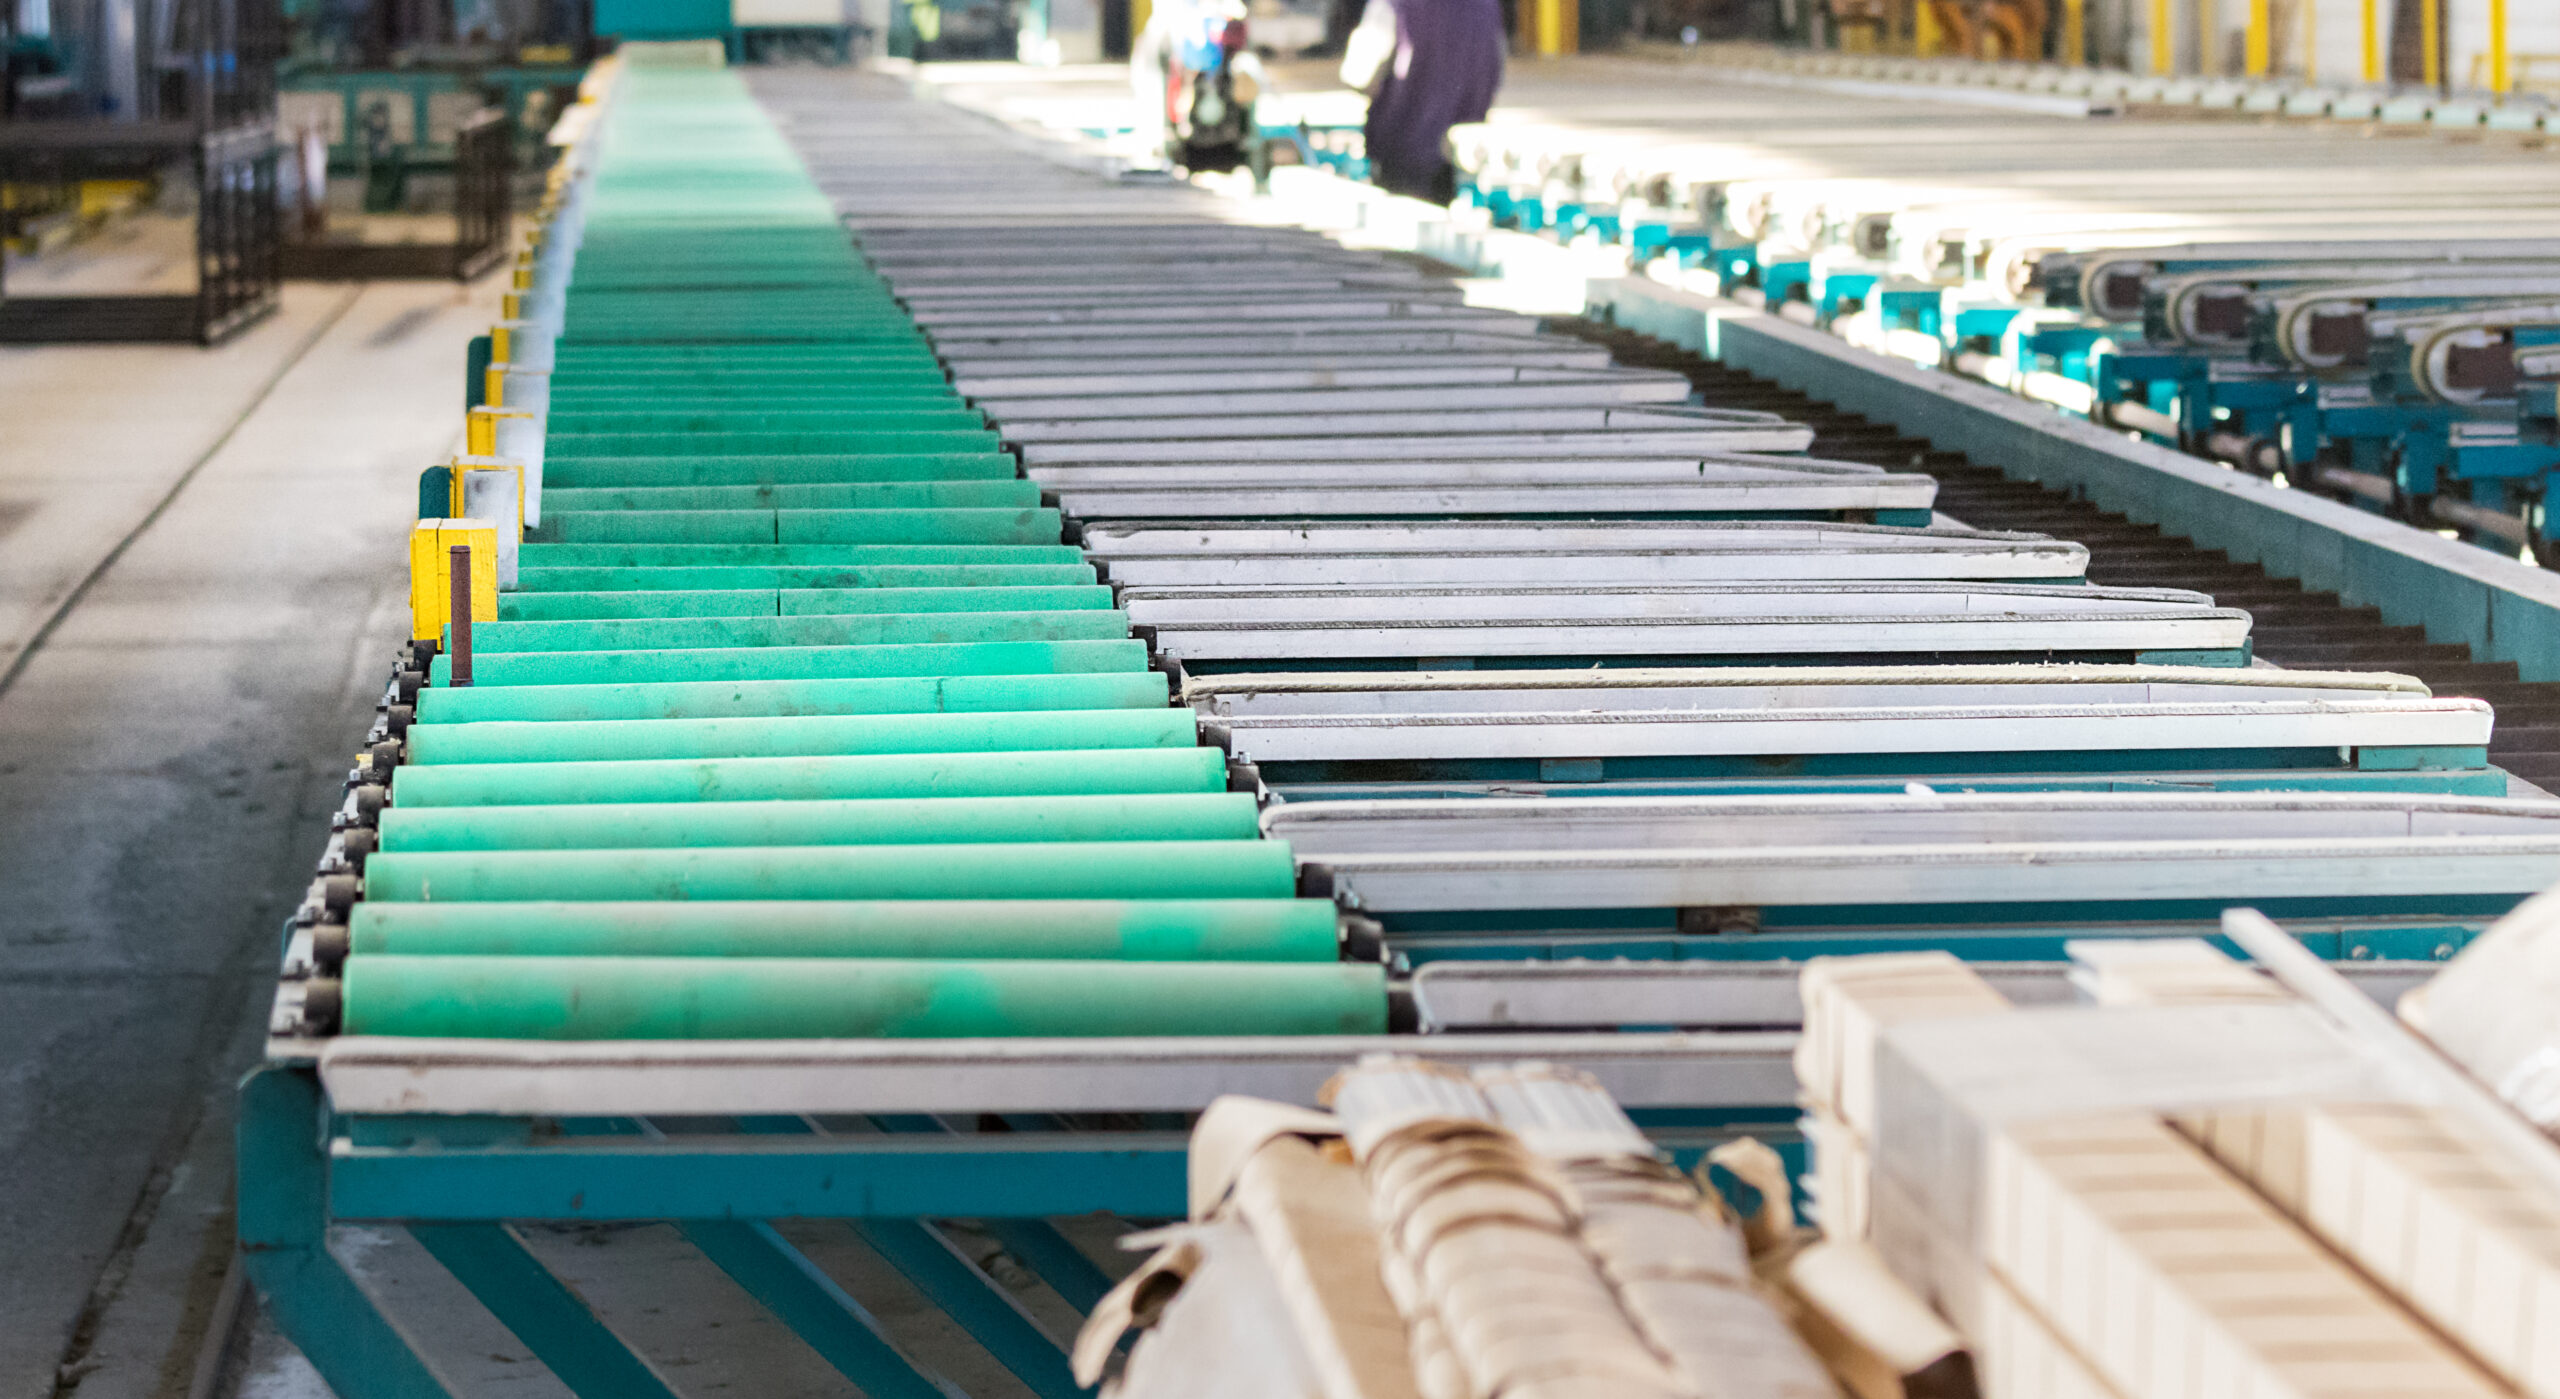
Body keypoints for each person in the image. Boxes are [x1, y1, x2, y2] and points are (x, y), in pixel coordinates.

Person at [1338, 0, 1503, 205]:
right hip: (1460, 162)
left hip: (1402, 156)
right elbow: (1494, 73)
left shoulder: (1394, 4)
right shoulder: (1486, 5)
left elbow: (1358, 73)